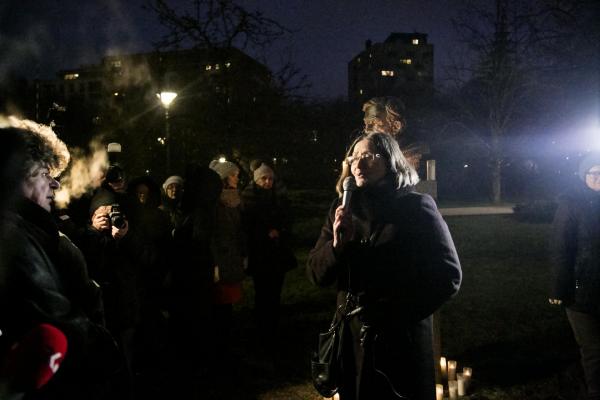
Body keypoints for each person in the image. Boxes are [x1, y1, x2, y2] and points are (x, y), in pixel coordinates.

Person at [307, 133, 462, 400]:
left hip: (400, 342)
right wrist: (336, 247)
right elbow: (315, 275)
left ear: (390, 161)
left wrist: (395, 314)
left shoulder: (415, 207)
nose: (358, 163)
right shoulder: (341, 210)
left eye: (367, 156)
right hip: (352, 343)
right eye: (353, 157)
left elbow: (448, 276)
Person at [0, 116, 113, 399]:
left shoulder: (34, 231)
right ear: (16, 175)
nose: (55, 185)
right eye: (44, 174)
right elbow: (62, 330)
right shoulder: (15, 240)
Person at [550, 152, 600, 400]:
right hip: (582, 292)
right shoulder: (571, 205)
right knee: (593, 349)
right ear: (584, 176)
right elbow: (561, 249)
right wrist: (559, 289)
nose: (599, 178)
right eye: (594, 173)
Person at [242, 163, 296, 350]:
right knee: (261, 292)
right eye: (264, 179)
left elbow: (289, 219)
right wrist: (264, 232)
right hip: (259, 253)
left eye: (270, 178)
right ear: (256, 180)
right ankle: (261, 327)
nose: (267, 182)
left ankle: (273, 325)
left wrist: (280, 230)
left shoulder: (280, 198)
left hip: (277, 253)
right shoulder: (248, 200)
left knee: (275, 291)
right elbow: (247, 226)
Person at [208, 159, 247, 365]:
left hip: (232, 258)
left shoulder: (235, 200)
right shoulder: (215, 203)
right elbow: (213, 234)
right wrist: (214, 264)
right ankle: (220, 351)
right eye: (233, 175)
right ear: (223, 178)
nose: (237, 178)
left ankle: (227, 346)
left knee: (229, 306)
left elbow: (239, 231)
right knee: (220, 307)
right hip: (220, 262)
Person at [361, 96, 422, 169]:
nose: (367, 129)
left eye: (375, 123)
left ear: (396, 126)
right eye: (366, 123)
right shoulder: (371, 152)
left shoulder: (413, 154)